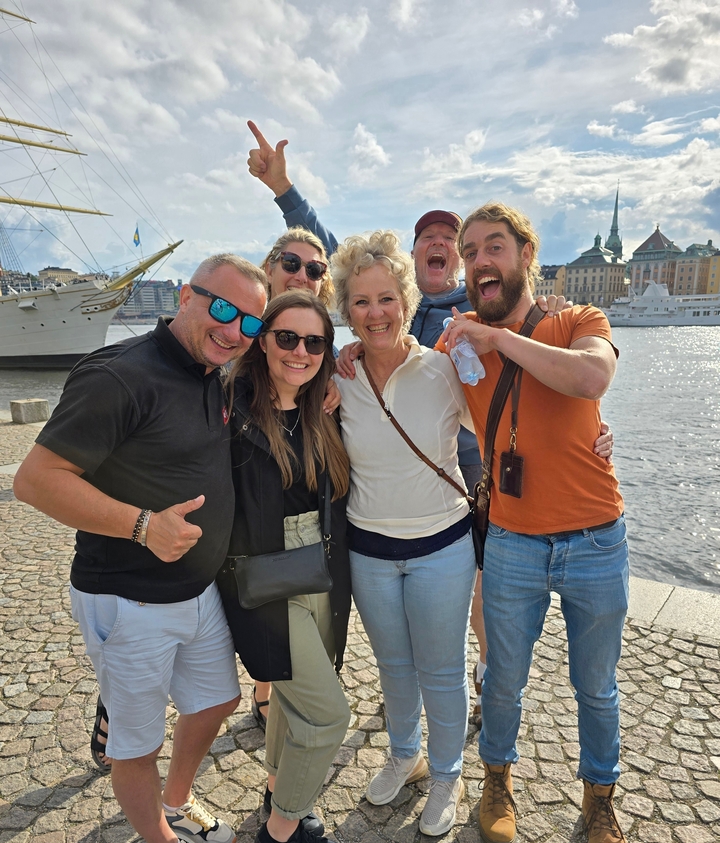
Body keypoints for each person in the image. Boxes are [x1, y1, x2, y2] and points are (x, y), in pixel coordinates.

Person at [245, 121, 613, 726]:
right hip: (396, 493)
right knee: (423, 627)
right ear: (413, 261)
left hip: (475, 481)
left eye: (456, 242)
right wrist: (285, 191)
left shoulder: (480, 311)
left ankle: (484, 690)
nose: (444, 247)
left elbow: (541, 375)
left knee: (480, 603)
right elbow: (342, 258)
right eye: (433, 240)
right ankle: (403, 712)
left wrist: (593, 427)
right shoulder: (375, 308)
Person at [13, 254, 269, 843]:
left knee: (216, 702)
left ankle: (176, 802)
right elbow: (36, 481)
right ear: (186, 295)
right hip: (125, 597)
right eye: (220, 307)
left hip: (196, 592)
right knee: (134, 742)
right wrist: (141, 525)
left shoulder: (214, 370)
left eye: (249, 319)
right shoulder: (120, 375)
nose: (234, 328)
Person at [442, 202, 630, 843]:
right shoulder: (457, 342)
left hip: (596, 537)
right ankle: (497, 781)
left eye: (494, 246)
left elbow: (591, 377)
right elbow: (412, 386)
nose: (480, 261)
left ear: (526, 253)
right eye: (470, 252)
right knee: (502, 681)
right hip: (514, 539)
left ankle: (600, 800)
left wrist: (504, 342)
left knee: (597, 686)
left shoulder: (578, 320)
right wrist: (347, 365)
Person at [330, 230, 479, 836]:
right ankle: (405, 754)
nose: (375, 314)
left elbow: (503, 425)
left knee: (442, 668)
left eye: (386, 298)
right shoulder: (336, 378)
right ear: (346, 311)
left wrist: (592, 433)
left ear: (407, 301)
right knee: (393, 666)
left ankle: (447, 772)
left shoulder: (443, 369)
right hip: (369, 548)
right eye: (362, 302)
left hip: (442, 545)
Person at [216, 289, 351, 843]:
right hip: (262, 572)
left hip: (318, 564)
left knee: (296, 701)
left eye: (313, 341)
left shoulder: (326, 406)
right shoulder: (230, 405)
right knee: (328, 712)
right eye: (286, 337)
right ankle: (282, 825)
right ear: (263, 340)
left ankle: (277, 786)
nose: (300, 351)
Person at [249, 225, 335, 732]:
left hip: (298, 535)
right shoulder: (238, 339)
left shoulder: (321, 354)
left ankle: (268, 691)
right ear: (269, 267)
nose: (302, 273)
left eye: (315, 268)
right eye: (290, 263)